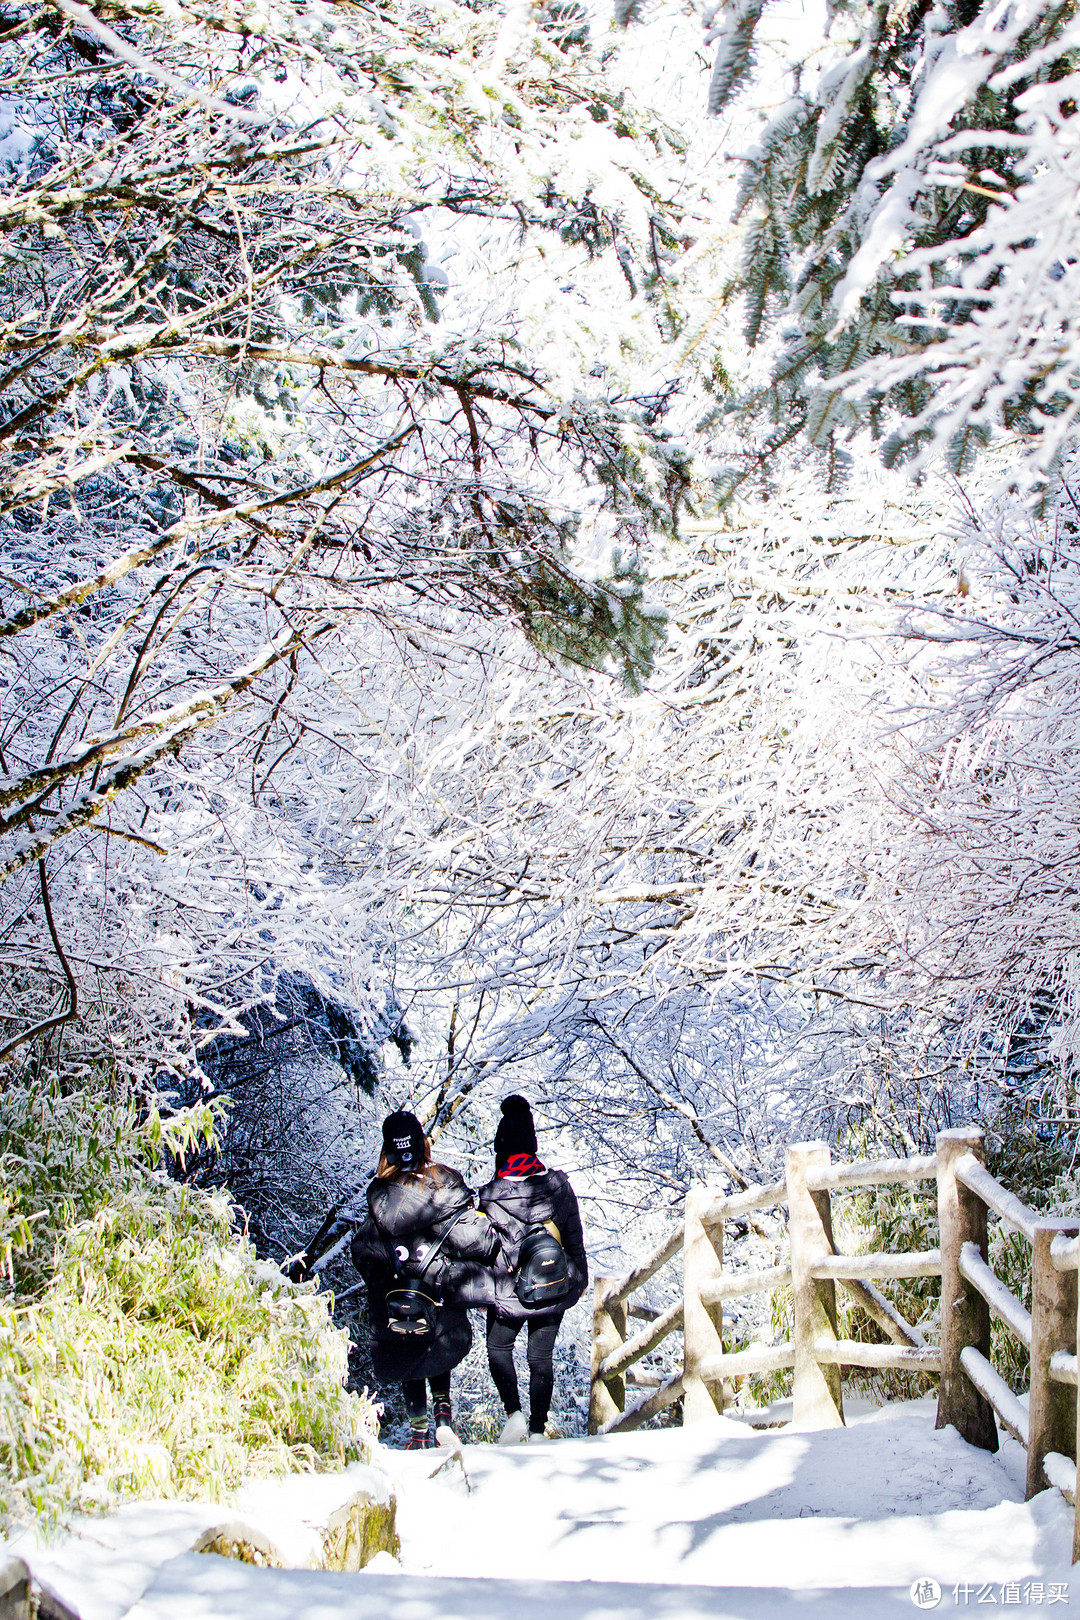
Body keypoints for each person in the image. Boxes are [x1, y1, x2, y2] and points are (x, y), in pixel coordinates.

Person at [351, 1109, 497, 1448]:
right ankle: (443, 1416)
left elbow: (364, 1251)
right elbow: (472, 1239)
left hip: (399, 1293)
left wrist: (384, 1277)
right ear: (422, 1144)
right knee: (438, 1340)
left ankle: (418, 1433)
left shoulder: (380, 1195)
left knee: (405, 1348)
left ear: (387, 1151)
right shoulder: (442, 1185)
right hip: (439, 1289)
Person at [479, 1095, 587, 1443]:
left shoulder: (490, 1196)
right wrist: (577, 1278)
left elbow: (484, 1251)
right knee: (540, 1355)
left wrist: (487, 1292)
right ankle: (539, 1430)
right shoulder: (558, 1186)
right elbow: (574, 1237)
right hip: (552, 1283)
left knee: (498, 1348)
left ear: (501, 1147)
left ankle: (514, 1415)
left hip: (509, 1291)